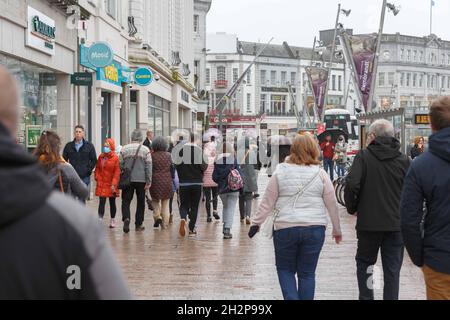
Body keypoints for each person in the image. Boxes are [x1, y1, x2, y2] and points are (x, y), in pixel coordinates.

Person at [0, 66, 130, 299]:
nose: (78, 133)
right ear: (14, 124)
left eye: (80, 131)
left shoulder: (83, 152)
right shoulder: (72, 223)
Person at [249, 134, 342, 300]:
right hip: (315, 228)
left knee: (285, 270)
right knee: (307, 274)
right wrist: (336, 229)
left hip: (286, 228)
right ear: (314, 150)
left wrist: (256, 223)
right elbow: (332, 203)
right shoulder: (320, 174)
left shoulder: (280, 171)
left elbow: (267, 201)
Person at [344, 119, 410, 300]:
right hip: (395, 225)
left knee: (366, 265)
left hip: (369, 224)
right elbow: (412, 192)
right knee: (392, 270)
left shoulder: (363, 157)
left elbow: (352, 184)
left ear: (372, 136)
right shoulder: (404, 160)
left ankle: (367, 297)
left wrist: (353, 208)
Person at [400, 96, 450, 300]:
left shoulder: (421, 165)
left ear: (431, 124)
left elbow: (409, 219)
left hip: (439, 257)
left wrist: (419, 256)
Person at [35, 130, 89, 201]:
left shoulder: (31, 166)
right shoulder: (65, 167)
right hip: (61, 209)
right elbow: (84, 192)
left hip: (38, 210)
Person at [174, 133, 207, 237]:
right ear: (196, 140)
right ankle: (192, 229)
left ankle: (183, 218)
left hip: (184, 182)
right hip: (197, 182)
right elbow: (204, 166)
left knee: (183, 204)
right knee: (194, 206)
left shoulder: (180, 151)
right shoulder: (199, 150)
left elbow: (176, 164)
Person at [119, 129, 152, 234]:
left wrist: (125, 169)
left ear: (131, 137)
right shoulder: (146, 150)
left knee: (126, 200)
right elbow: (149, 166)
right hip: (141, 180)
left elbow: (120, 163)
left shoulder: (124, 149)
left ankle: (126, 218)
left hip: (128, 180)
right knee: (140, 202)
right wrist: (148, 180)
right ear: (141, 138)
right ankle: (138, 224)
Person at [213, 143, 243, 240]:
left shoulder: (217, 161)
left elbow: (214, 177)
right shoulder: (234, 160)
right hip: (234, 188)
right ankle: (227, 229)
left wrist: (220, 180)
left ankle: (225, 225)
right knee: (231, 208)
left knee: (226, 207)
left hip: (222, 189)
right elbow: (240, 174)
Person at [94, 138, 120, 228]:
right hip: (102, 182)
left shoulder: (116, 158)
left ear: (111, 147)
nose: (105, 147)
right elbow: (97, 168)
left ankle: (112, 219)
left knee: (112, 202)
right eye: (104, 146)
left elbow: (117, 172)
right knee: (101, 201)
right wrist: (97, 177)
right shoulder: (101, 156)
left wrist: (114, 183)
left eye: (107, 146)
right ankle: (100, 219)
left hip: (111, 184)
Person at [150, 137, 174, 230]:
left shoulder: (152, 155)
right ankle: (165, 224)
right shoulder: (169, 155)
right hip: (167, 181)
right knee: (165, 203)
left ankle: (157, 216)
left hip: (155, 181)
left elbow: (149, 169)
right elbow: (172, 168)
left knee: (155, 200)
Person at [62, 125, 97, 190]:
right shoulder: (68, 146)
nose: (78, 133)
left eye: (80, 132)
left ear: (83, 133)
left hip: (84, 176)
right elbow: (64, 160)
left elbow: (94, 160)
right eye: (76, 132)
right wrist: (67, 171)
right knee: (72, 196)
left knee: (82, 197)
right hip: (72, 175)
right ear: (74, 133)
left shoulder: (89, 146)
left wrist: (88, 170)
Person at [239, 138, 258, 225]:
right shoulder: (252, 152)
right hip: (250, 177)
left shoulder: (238, 153)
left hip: (240, 178)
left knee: (241, 198)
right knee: (249, 198)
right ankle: (248, 216)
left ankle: (242, 216)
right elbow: (255, 164)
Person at [203, 143, 220, 223]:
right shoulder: (216, 158)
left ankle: (209, 216)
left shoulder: (204, 158)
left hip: (206, 181)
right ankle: (215, 211)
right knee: (215, 197)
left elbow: (201, 169)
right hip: (215, 180)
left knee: (207, 198)